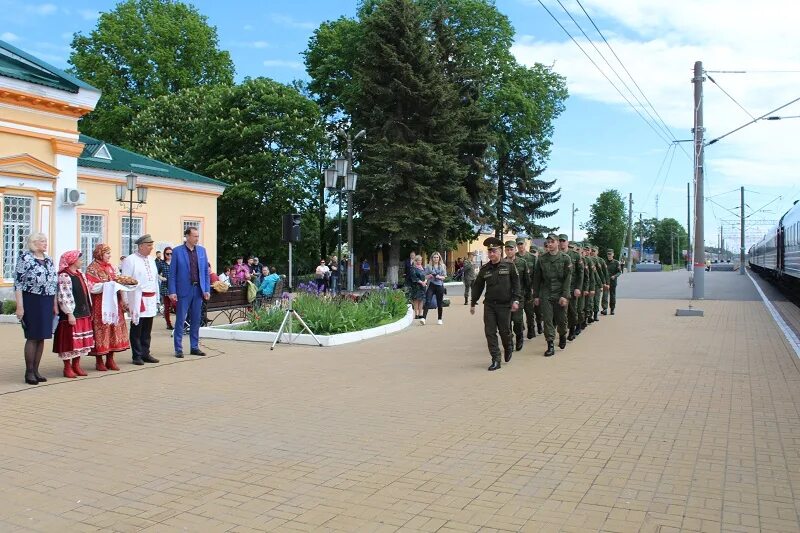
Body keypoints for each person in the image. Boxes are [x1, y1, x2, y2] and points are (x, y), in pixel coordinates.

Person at [470, 237, 521, 371]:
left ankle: (508, 346)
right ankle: (495, 359)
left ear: (500, 251)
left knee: (505, 331)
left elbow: (516, 284)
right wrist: (473, 302)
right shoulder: (485, 269)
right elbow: (478, 286)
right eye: (489, 251)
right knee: (490, 332)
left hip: (505, 305)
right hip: (490, 305)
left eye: (494, 251)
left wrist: (516, 300)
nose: (491, 254)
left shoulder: (509, 266)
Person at [14, 232, 58, 385]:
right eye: (42, 241)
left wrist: (54, 304)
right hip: (31, 299)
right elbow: (18, 283)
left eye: (46, 241)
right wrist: (20, 306)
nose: (46, 243)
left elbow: (53, 284)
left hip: (47, 300)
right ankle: (29, 372)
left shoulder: (49, 259)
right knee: (32, 336)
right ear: (34, 243)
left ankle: (37, 370)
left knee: (42, 336)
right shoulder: (25, 258)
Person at [85, 244, 130, 371]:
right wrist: (107, 285)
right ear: (100, 254)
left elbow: (119, 281)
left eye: (110, 253)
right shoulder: (92, 269)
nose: (109, 256)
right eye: (107, 253)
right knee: (101, 329)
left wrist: (124, 298)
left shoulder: (112, 267)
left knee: (113, 329)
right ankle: (99, 360)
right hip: (100, 304)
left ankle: (110, 359)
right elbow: (91, 287)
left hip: (114, 303)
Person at [168, 227, 211, 358]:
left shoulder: (202, 251)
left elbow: (205, 272)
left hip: (198, 290)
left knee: (196, 320)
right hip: (183, 290)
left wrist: (206, 289)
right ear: (187, 236)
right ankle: (178, 349)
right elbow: (172, 274)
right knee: (180, 319)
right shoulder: (177, 251)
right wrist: (172, 291)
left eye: (198, 236)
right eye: (194, 236)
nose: (197, 239)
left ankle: (194, 347)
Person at [53, 250, 94, 378]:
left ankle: (76, 365)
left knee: (81, 341)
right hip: (71, 314)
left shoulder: (79, 274)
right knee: (69, 341)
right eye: (79, 259)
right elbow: (64, 295)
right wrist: (69, 313)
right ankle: (67, 367)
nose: (81, 261)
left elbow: (86, 291)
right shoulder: (65, 276)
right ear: (72, 261)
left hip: (83, 311)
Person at [121, 234, 160, 365]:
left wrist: (157, 298)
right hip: (137, 298)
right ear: (141, 246)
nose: (151, 248)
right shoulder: (130, 260)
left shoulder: (152, 260)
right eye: (149, 245)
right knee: (137, 327)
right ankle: (136, 355)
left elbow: (155, 280)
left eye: (151, 245)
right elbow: (125, 281)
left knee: (147, 328)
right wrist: (125, 300)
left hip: (151, 298)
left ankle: (145, 353)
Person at [532, 234, 572, 357]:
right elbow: (537, 279)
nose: (549, 244)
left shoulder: (565, 258)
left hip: (560, 292)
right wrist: (536, 296)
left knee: (562, 319)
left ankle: (563, 334)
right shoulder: (542, 259)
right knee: (548, 319)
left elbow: (568, 278)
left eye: (552, 242)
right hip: (546, 293)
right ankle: (550, 344)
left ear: (557, 243)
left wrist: (565, 295)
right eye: (548, 242)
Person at [504, 241, 530, 351]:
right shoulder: (502, 263)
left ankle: (519, 336)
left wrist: (528, 294)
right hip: (505, 297)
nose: (509, 251)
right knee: (507, 321)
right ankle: (509, 341)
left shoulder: (522, 262)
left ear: (515, 250)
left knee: (517, 319)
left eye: (511, 249)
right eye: (507, 249)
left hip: (519, 296)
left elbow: (527, 280)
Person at [558, 235, 584, 341]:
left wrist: (578, 288)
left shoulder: (575, 255)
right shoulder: (556, 255)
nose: (561, 243)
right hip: (559, 288)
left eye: (563, 241)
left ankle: (572, 329)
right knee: (560, 312)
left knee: (572, 311)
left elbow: (580, 273)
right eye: (560, 241)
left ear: (567, 242)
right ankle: (562, 333)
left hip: (572, 287)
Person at [515, 238, 537, 339]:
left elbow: (537, 275)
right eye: (518, 244)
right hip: (518, 290)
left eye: (521, 244)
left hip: (529, 289)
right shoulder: (514, 258)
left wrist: (534, 288)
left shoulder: (532, 258)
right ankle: (521, 329)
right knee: (518, 313)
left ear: (525, 244)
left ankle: (531, 328)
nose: (520, 246)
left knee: (529, 312)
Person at [421, 251, 447, 325]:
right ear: (432, 258)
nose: (436, 259)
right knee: (428, 301)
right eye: (434, 257)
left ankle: (439, 318)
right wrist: (429, 276)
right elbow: (425, 276)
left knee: (439, 303)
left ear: (439, 258)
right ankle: (423, 318)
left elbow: (444, 277)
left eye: (437, 257)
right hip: (431, 285)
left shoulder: (442, 266)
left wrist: (439, 277)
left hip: (439, 286)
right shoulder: (428, 266)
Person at [157, 246, 174, 330]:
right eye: (167, 254)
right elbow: (156, 273)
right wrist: (161, 278)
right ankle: (168, 323)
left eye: (171, 253)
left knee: (175, 305)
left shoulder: (175, 263)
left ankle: (180, 323)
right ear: (164, 254)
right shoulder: (161, 263)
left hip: (174, 287)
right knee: (167, 307)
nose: (169, 255)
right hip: (165, 287)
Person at [603, 249, 622, 315]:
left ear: (613, 254)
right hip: (605, 281)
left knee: (612, 295)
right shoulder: (604, 262)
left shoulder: (616, 262)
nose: (609, 255)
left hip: (613, 281)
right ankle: (604, 309)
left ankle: (612, 309)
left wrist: (615, 276)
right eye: (608, 254)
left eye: (610, 254)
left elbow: (619, 272)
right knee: (605, 295)